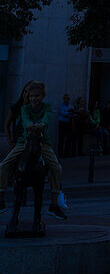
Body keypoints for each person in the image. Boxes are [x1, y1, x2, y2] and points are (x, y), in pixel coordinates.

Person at [0, 80, 68, 219]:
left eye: (36, 96)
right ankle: (1, 199)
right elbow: (25, 121)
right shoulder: (24, 108)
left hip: (42, 142)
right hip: (23, 142)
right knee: (3, 165)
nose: (33, 99)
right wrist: (30, 126)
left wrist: (41, 125)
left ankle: (54, 204)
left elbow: (47, 119)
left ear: (43, 96)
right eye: (31, 96)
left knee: (56, 167)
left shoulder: (47, 107)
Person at [3, 82, 33, 148]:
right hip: (16, 144)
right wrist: (10, 141)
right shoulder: (15, 107)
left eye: (30, 93)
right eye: (25, 92)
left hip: (30, 146)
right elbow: (6, 124)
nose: (26, 95)